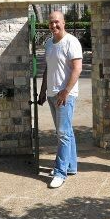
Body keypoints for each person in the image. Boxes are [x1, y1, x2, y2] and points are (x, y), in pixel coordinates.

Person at [38, 11, 83, 189]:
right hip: (51, 94)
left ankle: (60, 173)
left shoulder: (72, 42)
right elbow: (47, 69)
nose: (54, 25)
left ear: (63, 23)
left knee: (63, 134)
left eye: (57, 22)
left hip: (65, 95)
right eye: (51, 23)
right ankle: (70, 166)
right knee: (66, 132)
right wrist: (43, 91)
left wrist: (65, 91)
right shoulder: (49, 43)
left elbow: (77, 69)